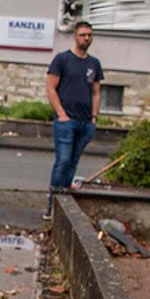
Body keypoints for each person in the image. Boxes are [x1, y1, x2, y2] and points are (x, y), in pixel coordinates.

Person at [45, 21, 102, 218]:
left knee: (73, 162)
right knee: (63, 160)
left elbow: (96, 92)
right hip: (66, 121)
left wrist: (94, 117)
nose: (86, 38)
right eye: (83, 35)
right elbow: (51, 88)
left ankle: (64, 206)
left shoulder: (93, 64)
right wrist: (61, 114)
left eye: (89, 35)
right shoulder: (62, 60)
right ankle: (52, 203)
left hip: (86, 121)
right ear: (75, 36)